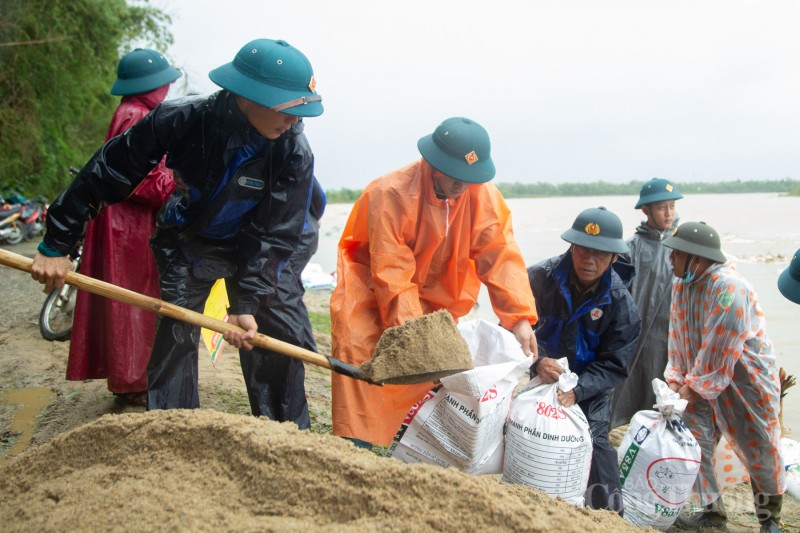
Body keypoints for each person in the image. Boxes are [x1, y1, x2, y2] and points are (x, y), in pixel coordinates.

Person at [30, 38, 324, 412]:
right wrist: (58, 243)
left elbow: (275, 232)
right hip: (190, 237)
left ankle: (287, 437)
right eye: (289, 108)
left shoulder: (293, 149)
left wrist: (245, 301)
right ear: (247, 96)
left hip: (257, 245)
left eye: (302, 111)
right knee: (176, 330)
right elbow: (107, 171)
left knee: (276, 335)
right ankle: (172, 425)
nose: (295, 120)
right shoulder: (181, 118)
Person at [330, 116, 539, 448]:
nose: (462, 185)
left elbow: (499, 253)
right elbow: (391, 272)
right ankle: (356, 449)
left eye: (469, 178)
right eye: (455, 176)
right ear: (433, 163)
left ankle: (409, 449)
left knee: (429, 384)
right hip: (370, 294)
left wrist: (520, 318)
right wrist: (417, 335)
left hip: (436, 301)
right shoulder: (391, 193)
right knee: (361, 367)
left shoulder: (480, 195)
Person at [65, 48, 181, 407]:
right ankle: (133, 379)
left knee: (132, 298)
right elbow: (137, 176)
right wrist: (177, 183)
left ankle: (133, 377)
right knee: (132, 299)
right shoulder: (135, 115)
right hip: (126, 225)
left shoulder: (136, 111)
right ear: (154, 85)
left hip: (122, 220)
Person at [663, 221, 785, 533]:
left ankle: (769, 520)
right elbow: (677, 333)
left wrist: (690, 388)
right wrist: (676, 377)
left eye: (676, 254)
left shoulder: (730, 287)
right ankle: (712, 513)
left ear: (697, 258)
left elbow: (721, 346)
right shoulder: (682, 282)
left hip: (746, 379)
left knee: (760, 444)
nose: (670, 259)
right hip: (698, 375)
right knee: (695, 438)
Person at [527, 206, 641, 514]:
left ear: (614, 258)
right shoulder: (539, 278)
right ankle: (530, 501)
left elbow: (615, 364)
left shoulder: (622, 305)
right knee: (525, 430)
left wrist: (579, 389)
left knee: (597, 444)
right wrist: (538, 360)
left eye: (600, 254)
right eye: (583, 250)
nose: (589, 260)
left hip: (589, 387)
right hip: (540, 377)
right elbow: (513, 327)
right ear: (572, 246)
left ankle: (610, 517)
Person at [241, 176, 325, 427]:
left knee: (282, 322)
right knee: (257, 320)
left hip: (291, 235)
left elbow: (318, 197)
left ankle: (292, 424)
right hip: (259, 238)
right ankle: (268, 416)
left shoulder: (290, 147)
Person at [610, 178, 683, 428]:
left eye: (672, 206)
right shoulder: (630, 249)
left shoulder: (684, 248)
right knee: (626, 393)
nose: (669, 213)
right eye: (662, 207)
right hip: (636, 339)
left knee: (668, 401)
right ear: (646, 210)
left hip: (672, 339)